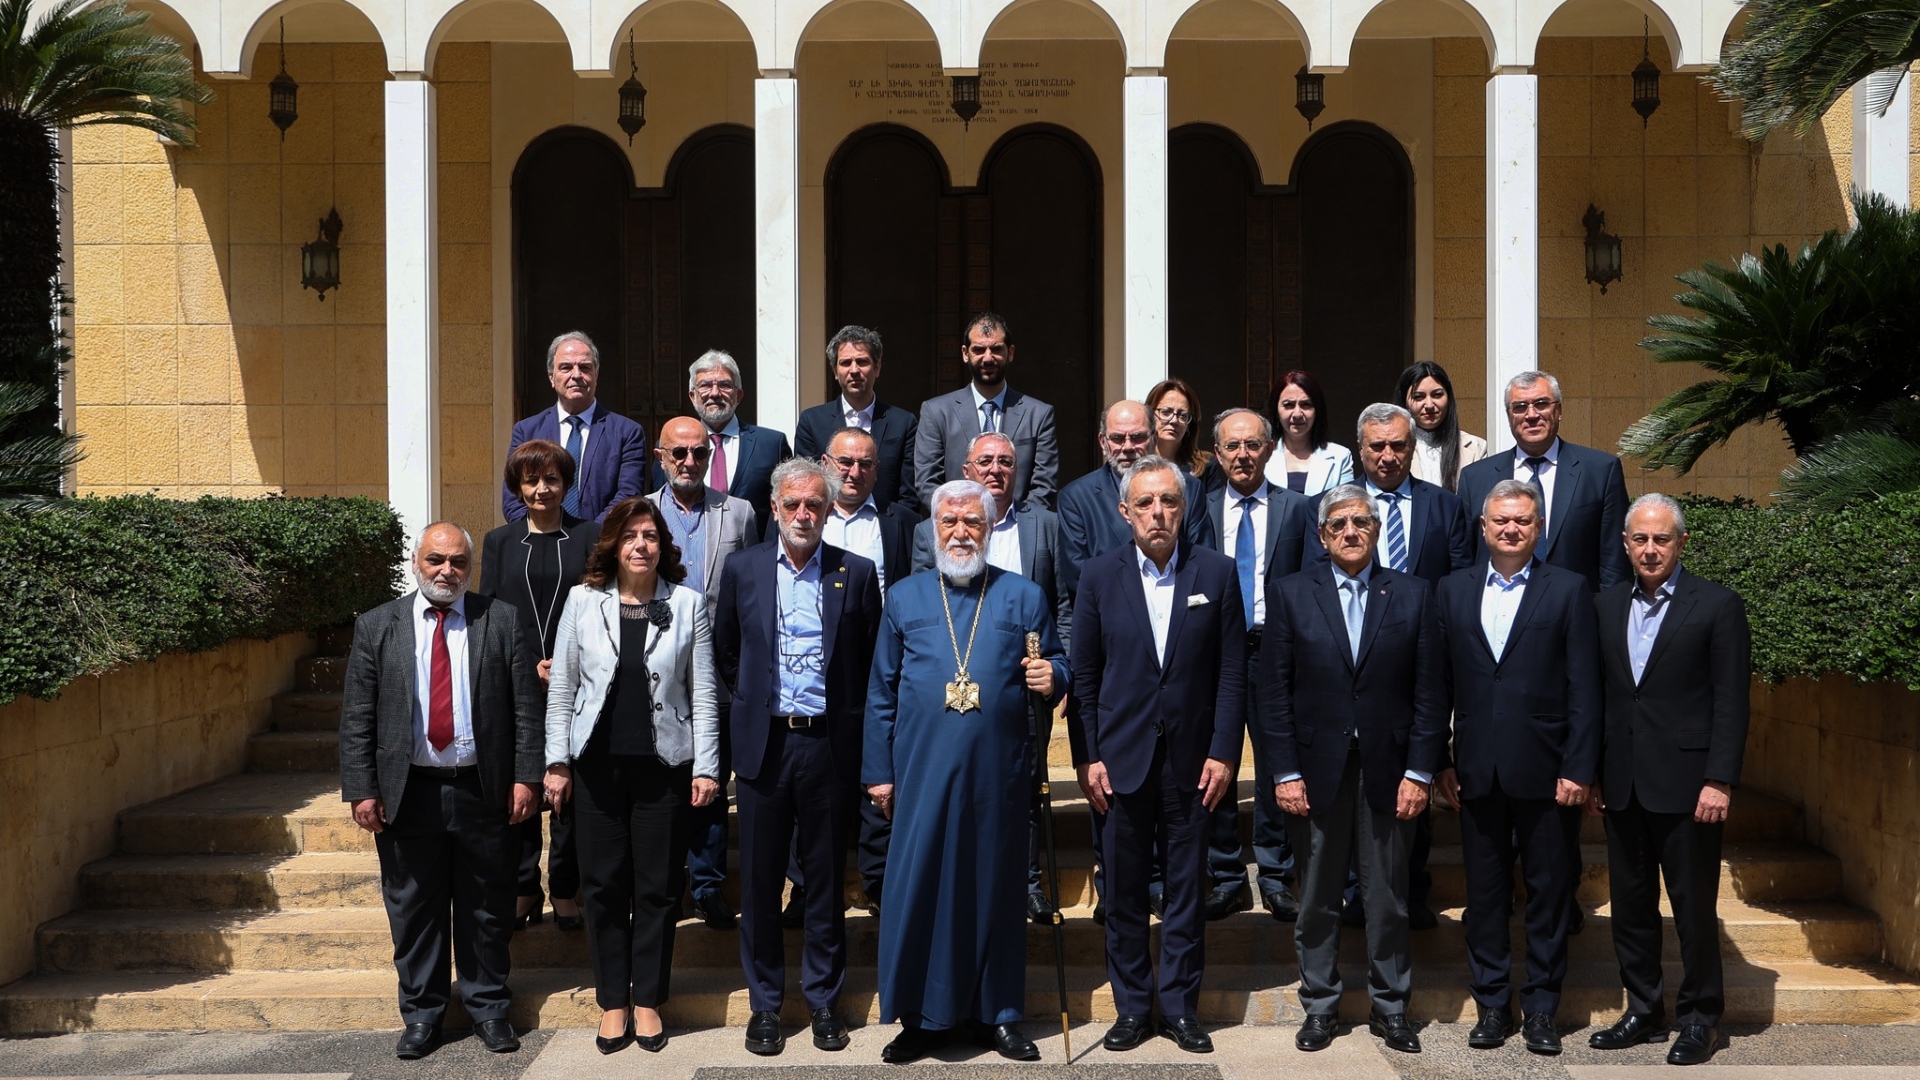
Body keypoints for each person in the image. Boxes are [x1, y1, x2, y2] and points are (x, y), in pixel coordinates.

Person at [864, 479, 1068, 1065]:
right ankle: (920, 1020)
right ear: (932, 529)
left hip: (996, 775)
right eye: (949, 522)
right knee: (919, 889)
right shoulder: (904, 597)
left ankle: (998, 1015)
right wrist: (879, 773)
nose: (960, 532)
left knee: (996, 891)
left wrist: (1054, 676)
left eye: (972, 523)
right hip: (921, 772)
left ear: (990, 527)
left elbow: (1056, 661)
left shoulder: (1023, 596)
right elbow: (881, 690)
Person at [338, 522, 542, 1060]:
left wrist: (527, 777)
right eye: (436, 560)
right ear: (416, 562)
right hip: (410, 793)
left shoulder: (499, 620)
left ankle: (489, 1008)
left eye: (457, 562)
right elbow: (357, 716)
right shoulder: (377, 626)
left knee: (488, 907)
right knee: (414, 909)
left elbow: (525, 708)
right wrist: (362, 788)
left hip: (484, 789)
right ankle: (422, 1015)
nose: (446, 571)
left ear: (470, 569)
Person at [1262, 484, 1447, 1055]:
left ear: (1376, 530)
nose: (1349, 532)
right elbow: (1274, 695)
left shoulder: (1413, 594)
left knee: (1387, 895)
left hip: (1390, 772)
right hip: (1315, 771)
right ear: (1321, 536)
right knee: (1316, 894)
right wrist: (1284, 772)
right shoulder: (1292, 594)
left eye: (1361, 523)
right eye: (1338, 524)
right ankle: (1320, 1005)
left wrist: (1421, 773)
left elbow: (1430, 695)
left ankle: (1391, 1008)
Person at [1070, 456, 1247, 1056]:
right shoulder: (1097, 577)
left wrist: (1225, 753)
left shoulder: (1217, 574)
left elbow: (1231, 674)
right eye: (1145, 503)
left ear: (1185, 507)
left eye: (1168, 501)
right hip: (1118, 762)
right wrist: (1087, 757)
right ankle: (1132, 1007)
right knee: (1120, 891)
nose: (1157, 513)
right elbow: (1086, 678)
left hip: (1193, 763)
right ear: (1125, 512)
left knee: (1186, 888)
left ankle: (1178, 1007)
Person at [712, 459, 882, 1057]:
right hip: (765, 744)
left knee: (825, 879)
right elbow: (727, 652)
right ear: (775, 508)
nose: (804, 514)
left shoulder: (854, 573)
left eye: (814, 504)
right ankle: (765, 1005)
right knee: (758, 882)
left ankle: (824, 1002)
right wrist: (753, 707)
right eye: (793, 505)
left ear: (827, 508)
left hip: (828, 746)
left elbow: (866, 662)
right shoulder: (743, 569)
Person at [542, 498, 721, 1054]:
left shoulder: (687, 603)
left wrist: (708, 766)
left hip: (665, 768)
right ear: (613, 546)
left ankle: (648, 1001)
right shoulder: (582, 600)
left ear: (662, 546)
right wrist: (555, 762)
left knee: (659, 889)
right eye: (630, 536)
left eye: (649, 535)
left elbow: (706, 692)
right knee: (602, 887)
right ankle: (612, 1002)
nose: (640, 545)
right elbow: (563, 688)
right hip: (595, 768)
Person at [1434, 479, 1601, 1056]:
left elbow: (1586, 689)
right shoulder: (1451, 591)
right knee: (1482, 897)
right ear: (1483, 528)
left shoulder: (1570, 590)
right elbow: (1438, 686)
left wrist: (1579, 767)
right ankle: (1491, 1006)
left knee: (1550, 895)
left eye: (1522, 521)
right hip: (1476, 772)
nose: (1510, 529)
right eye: (1500, 521)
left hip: (1550, 773)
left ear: (1539, 528)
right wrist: (1439, 760)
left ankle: (1542, 1010)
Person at [1588, 494, 1751, 1067]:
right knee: (1631, 906)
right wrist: (1593, 772)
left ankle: (1701, 1017)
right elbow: (1601, 699)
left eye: (1661, 539)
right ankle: (1644, 1010)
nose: (1650, 549)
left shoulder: (1718, 606)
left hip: (1689, 787)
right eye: (1640, 539)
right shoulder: (1605, 606)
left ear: (1681, 542)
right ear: (1626, 544)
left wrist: (1719, 779)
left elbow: (1732, 703)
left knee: (1693, 907)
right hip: (1623, 783)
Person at [910, 432, 1073, 925]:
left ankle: (1024, 883)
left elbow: (1061, 606)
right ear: (967, 467)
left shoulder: (1045, 525)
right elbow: (924, 601)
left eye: (1006, 461)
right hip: (955, 691)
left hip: (1020, 691)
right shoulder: (932, 530)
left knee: (1023, 788)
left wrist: (1059, 672)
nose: (996, 469)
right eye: (985, 461)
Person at [783, 425, 923, 920]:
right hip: (819, 674)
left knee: (879, 776)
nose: (854, 472)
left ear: (878, 471)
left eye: (865, 464)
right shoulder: (798, 518)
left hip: (886, 662)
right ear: (825, 462)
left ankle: (880, 880)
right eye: (845, 462)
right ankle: (804, 886)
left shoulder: (900, 521)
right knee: (813, 785)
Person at [478, 440, 601, 935]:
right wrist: (528, 663)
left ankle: (566, 887)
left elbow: (599, 606)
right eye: (532, 480)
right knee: (525, 784)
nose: (542, 489)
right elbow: (488, 612)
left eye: (551, 479)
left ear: (565, 484)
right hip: (516, 680)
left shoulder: (590, 535)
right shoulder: (499, 542)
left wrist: (565, 662)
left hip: (578, 681)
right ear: (518, 487)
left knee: (570, 789)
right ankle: (525, 885)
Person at [647, 416, 758, 931]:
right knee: (665, 781)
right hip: (656, 670)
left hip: (718, 669)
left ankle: (709, 886)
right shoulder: (640, 514)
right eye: (679, 454)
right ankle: (666, 886)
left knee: (712, 777)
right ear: (660, 455)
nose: (689, 462)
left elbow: (751, 590)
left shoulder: (738, 513)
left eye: (698, 453)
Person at [1204, 408, 1315, 922]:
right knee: (1217, 764)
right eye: (1232, 446)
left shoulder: (1299, 509)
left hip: (1279, 654)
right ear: (1218, 453)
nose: (1242, 454)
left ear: (1269, 449)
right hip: (1218, 656)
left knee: (1278, 767)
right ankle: (1227, 876)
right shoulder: (1199, 511)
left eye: (1252, 445)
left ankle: (1275, 875)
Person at [1457, 370, 1630, 592]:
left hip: (1575, 615)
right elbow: (1465, 562)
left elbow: (1614, 563)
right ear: (1509, 416)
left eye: (1541, 404)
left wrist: (1607, 620)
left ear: (1558, 410)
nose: (1531, 415)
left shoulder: (1600, 471)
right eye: (1520, 407)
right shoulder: (1476, 478)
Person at [1059, 400, 1215, 599]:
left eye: (1137, 437)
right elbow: (1079, 576)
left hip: (1177, 612)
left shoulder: (1188, 489)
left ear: (1154, 437)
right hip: (1111, 618)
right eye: (1117, 438)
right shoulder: (1076, 498)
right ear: (1102, 441)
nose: (1128, 447)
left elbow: (1203, 562)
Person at [914, 312, 1060, 509]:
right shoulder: (936, 412)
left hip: (1017, 530)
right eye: (979, 349)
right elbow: (927, 483)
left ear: (1011, 352)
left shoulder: (1038, 414)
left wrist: (1015, 524)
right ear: (966, 353)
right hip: (958, 530)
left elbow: (1044, 486)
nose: (988, 358)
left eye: (997, 349)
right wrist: (964, 520)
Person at [503, 331, 650, 523]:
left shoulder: (627, 433)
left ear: (596, 375)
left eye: (585, 367)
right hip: (541, 545)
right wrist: (540, 536)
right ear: (551, 377)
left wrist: (588, 538)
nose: (576, 375)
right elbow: (512, 496)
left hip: (600, 545)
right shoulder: (527, 431)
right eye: (565, 368)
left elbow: (628, 495)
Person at [652, 350, 793, 541]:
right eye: (705, 385)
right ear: (692, 396)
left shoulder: (771, 445)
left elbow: (786, 505)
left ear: (739, 394)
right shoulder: (670, 448)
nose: (715, 393)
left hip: (752, 558)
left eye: (725, 385)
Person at [795, 325, 919, 511]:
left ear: (877, 368)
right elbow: (806, 485)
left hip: (883, 527)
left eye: (862, 362)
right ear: (835, 371)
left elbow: (909, 494)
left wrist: (894, 531)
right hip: (829, 528)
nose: (854, 370)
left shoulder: (903, 423)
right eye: (845, 363)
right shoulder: (812, 422)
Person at [1396, 361, 1487, 492]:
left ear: (1448, 398)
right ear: (1405, 403)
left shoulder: (1476, 447)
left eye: (1437, 395)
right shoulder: (1393, 448)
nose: (1429, 405)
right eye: (1418, 397)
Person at [1263, 371, 1354, 497]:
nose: (1297, 414)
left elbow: (1344, 508)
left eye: (1306, 405)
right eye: (1288, 405)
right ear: (1276, 411)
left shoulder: (1340, 457)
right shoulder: (1262, 455)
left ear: (1317, 410)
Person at [1146, 378, 1211, 484]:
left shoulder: (1206, 467)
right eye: (1166, 412)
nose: (1174, 420)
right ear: (1150, 415)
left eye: (1182, 415)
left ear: (1189, 425)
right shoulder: (1135, 462)